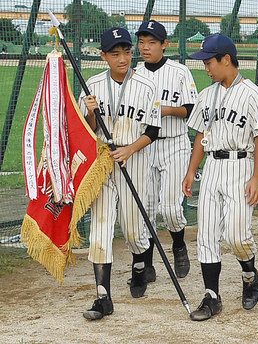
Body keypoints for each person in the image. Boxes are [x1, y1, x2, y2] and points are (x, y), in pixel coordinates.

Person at [182, 33, 258, 321]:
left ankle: (249, 274)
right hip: (213, 168)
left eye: (209, 62)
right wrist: (192, 170)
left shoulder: (253, 94)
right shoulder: (207, 96)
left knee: (236, 236)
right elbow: (200, 136)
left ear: (226, 60)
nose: (205, 67)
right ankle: (212, 296)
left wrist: (256, 178)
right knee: (206, 235)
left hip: (240, 167)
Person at [80, 27, 161, 320]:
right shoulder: (91, 85)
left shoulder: (146, 83)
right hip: (103, 160)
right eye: (115, 53)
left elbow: (153, 130)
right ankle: (103, 298)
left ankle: (140, 266)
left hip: (133, 157)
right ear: (104, 56)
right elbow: (86, 132)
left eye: (126, 51)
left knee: (131, 228)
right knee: (100, 228)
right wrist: (90, 113)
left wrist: (129, 150)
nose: (123, 58)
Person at [134, 20, 197, 282]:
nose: (145, 48)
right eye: (141, 42)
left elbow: (191, 110)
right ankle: (146, 265)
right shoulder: (134, 73)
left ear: (164, 45)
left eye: (151, 42)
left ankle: (179, 246)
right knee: (146, 208)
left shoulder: (179, 72)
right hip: (144, 146)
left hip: (174, 143)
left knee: (170, 209)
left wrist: (165, 110)